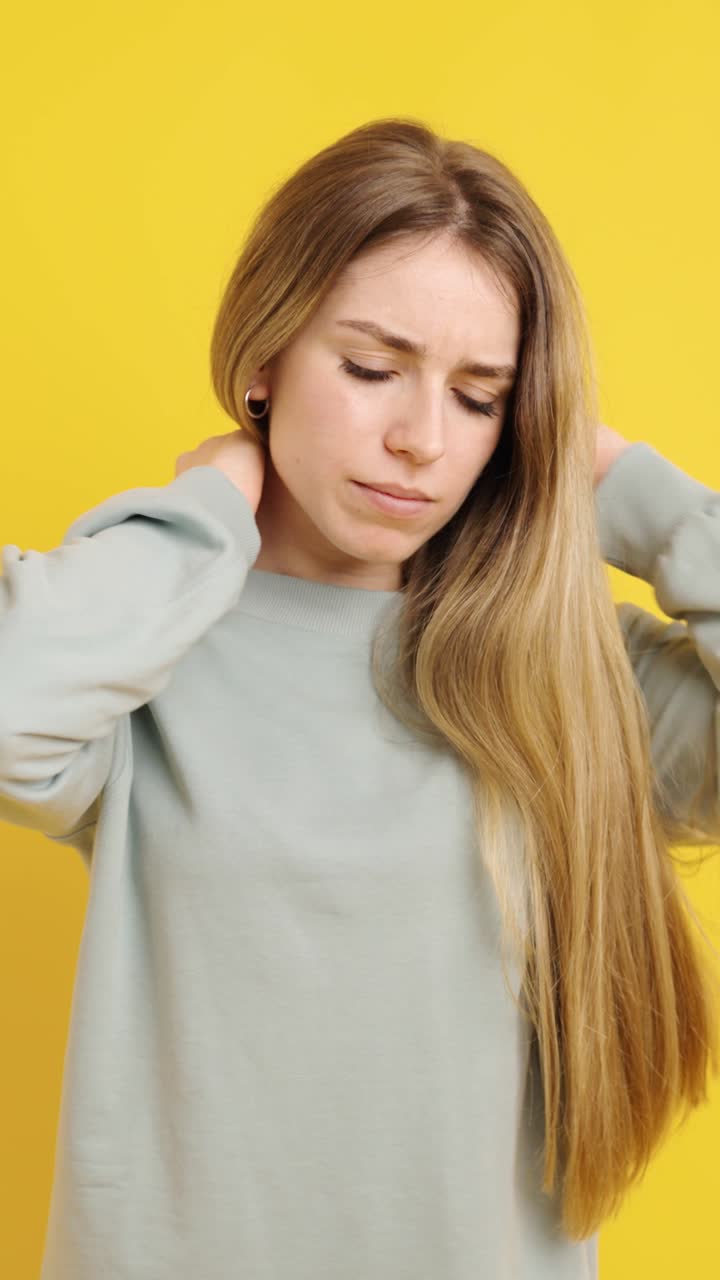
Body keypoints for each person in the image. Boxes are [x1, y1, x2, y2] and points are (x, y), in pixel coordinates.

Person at [1, 116, 719, 1280]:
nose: (420, 439)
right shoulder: (146, 651)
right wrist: (207, 513)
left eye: (480, 397)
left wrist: (628, 487)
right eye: (372, 368)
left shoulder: (581, 675)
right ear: (265, 359)